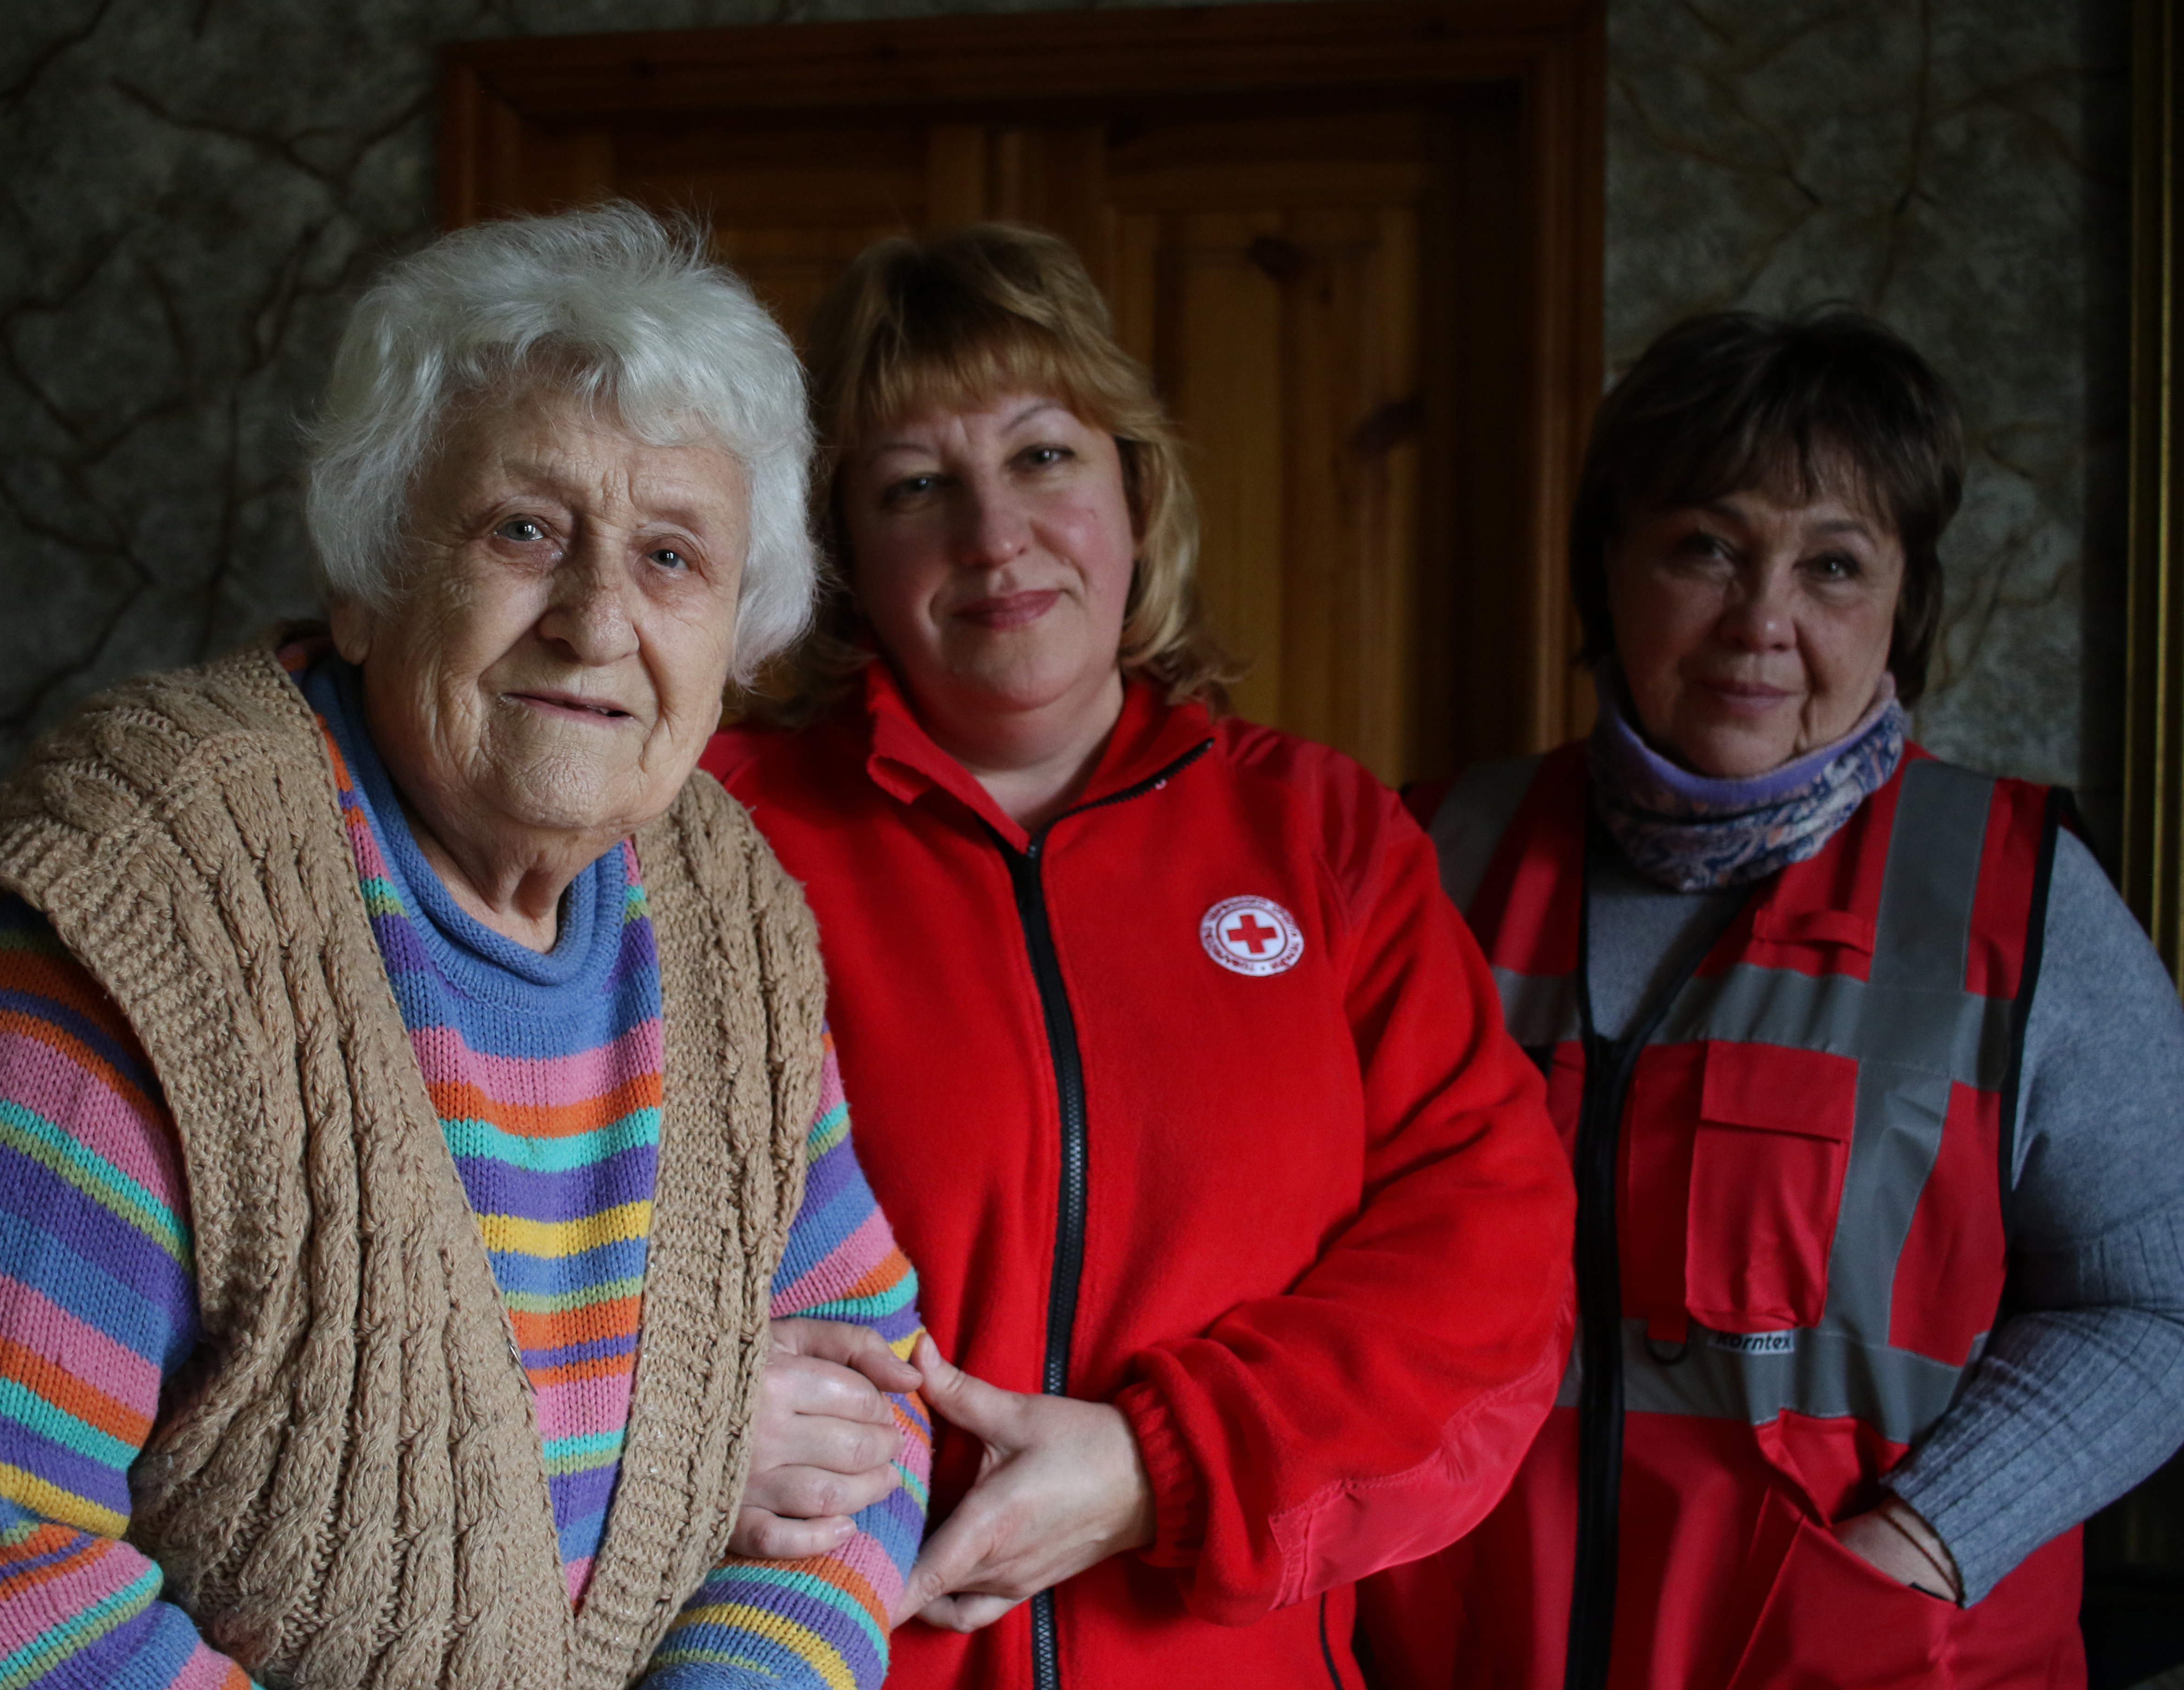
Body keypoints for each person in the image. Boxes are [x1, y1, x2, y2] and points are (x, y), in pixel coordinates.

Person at [0, 204, 930, 1690]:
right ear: (370, 578)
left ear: (741, 636)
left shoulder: (722, 901)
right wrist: (706, 1427)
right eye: (525, 530)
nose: (595, 620)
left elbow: (867, 1410)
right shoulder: (155, 883)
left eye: (671, 557)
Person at [700, 223, 1575, 1689]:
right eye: (917, 485)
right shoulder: (712, 831)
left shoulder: (1322, 836)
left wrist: (1157, 1466)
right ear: (844, 552)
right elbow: (523, 1199)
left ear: (1135, 486)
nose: (995, 537)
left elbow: (1489, 1251)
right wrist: (693, 1425)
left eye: (1044, 456)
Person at [1353, 309, 2184, 1688]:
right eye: (1706, 547)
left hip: (1865, 1657)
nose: (1763, 620)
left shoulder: (2023, 900)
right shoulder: (1417, 863)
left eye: (1834, 565)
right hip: (1453, 1650)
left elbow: (2158, 1305)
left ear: (1906, 604)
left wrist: (1924, 1539)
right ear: (1609, 563)